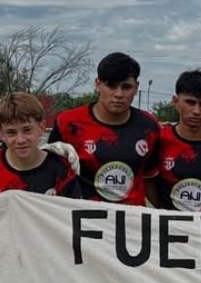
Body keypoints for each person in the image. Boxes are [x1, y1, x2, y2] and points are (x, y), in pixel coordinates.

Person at [0, 91, 82, 282]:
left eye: (27, 130)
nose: (20, 139)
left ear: (41, 128)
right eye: (11, 132)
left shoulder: (60, 168)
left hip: (47, 271)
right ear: (1, 134)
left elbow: (73, 224)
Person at [47, 52, 161, 206]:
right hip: (83, 219)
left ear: (136, 88)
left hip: (132, 221)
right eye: (111, 86)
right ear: (98, 84)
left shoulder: (149, 126)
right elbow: (48, 173)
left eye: (126, 87)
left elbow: (150, 179)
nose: (118, 94)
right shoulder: (68, 122)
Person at [152, 70, 201, 212]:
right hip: (169, 227)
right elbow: (147, 179)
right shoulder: (159, 140)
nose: (196, 111)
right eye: (190, 102)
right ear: (176, 102)